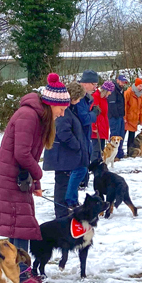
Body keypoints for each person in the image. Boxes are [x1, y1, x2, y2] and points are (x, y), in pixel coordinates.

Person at [0, 73, 70, 283]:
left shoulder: (37, 117)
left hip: (18, 177)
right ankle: (22, 276)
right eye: (61, 109)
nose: (62, 114)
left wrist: (36, 183)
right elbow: (22, 154)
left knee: (18, 227)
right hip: (9, 177)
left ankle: (16, 273)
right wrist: (38, 174)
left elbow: (29, 156)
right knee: (21, 227)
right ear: (51, 104)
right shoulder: (28, 116)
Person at [53, 81, 91, 212]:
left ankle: (68, 204)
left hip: (68, 154)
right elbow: (63, 132)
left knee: (72, 176)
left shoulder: (69, 110)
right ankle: (65, 207)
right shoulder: (64, 112)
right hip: (65, 154)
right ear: (74, 97)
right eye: (79, 98)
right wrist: (76, 145)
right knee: (63, 183)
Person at [75, 70, 100, 188]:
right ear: (85, 83)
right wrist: (93, 114)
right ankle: (81, 182)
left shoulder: (86, 97)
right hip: (79, 135)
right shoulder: (79, 98)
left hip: (85, 134)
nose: (96, 87)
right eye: (94, 84)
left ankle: (83, 181)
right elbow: (84, 119)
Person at [106, 72, 129, 159]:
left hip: (120, 116)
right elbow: (112, 104)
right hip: (114, 116)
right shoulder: (113, 89)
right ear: (117, 80)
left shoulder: (120, 90)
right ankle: (112, 154)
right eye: (122, 81)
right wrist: (116, 114)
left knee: (121, 135)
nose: (123, 83)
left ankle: (119, 152)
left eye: (124, 82)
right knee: (114, 135)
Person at [90, 80, 112, 165]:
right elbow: (92, 112)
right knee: (96, 149)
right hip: (97, 127)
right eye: (109, 92)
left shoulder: (103, 98)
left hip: (102, 126)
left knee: (100, 149)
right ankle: (94, 166)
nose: (110, 94)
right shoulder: (96, 96)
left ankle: (98, 166)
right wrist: (93, 126)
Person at [124, 78, 142, 156]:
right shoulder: (128, 93)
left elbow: (141, 108)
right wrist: (124, 117)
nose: (141, 88)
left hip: (134, 119)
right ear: (136, 85)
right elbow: (125, 106)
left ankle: (130, 152)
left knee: (131, 138)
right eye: (140, 86)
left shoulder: (140, 95)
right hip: (127, 119)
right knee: (122, 136)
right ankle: (118, 153)